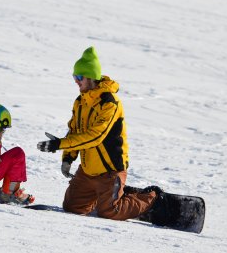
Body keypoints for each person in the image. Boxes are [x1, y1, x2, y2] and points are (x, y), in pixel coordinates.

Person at [37, 46, 158, 220]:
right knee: (72, 207)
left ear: (91, 77)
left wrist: (59, 144)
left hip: (110, 171)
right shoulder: (80, 102)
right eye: (74, 77)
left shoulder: (109, 102)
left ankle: (151, 199)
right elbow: (74, 131)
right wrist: (68, 158)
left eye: (79, 77)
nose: (76, 81)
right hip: (87, 171)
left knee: (109, 212)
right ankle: (113, 195)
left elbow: (95, 136)